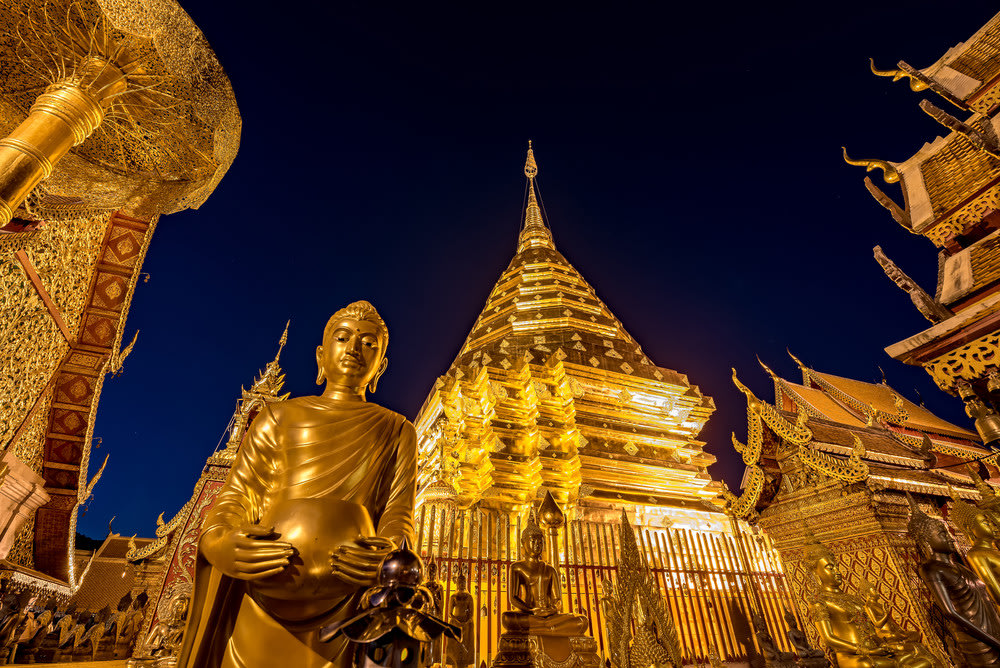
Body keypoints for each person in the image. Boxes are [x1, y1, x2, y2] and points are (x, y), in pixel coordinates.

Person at [178, 301, 417, 668]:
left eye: (369, 343)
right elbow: (238, 495)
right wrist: (220, 542)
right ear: (321, 356)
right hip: (264, 589)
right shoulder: (278, 416)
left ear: (380, 367)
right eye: (343, 338)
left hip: (348, 602)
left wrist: (388, 557)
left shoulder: (397, 428)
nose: (354, 348)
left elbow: (398, 514)